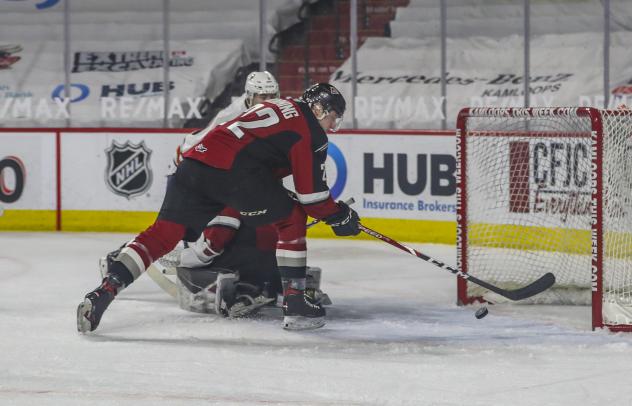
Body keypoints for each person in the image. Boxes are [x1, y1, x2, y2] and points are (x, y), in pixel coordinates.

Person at [77, 82, 360, 332]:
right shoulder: (309, 129)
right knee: (291, 218)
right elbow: (312, 197)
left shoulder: (279, 106)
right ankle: (296, 304)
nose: (332, 127)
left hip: (193, 165)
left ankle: (106, 289)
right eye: (333, 118)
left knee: (163, 234)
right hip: (234, 175)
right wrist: (339, 216)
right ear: (320, 109)